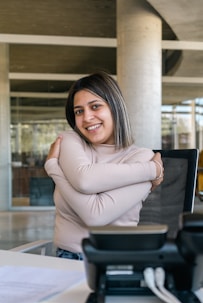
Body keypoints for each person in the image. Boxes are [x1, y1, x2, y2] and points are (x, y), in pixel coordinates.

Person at [44, 71, 164, 260]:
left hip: (117, 262)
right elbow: (85, 179)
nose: (87, 117)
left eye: (95, 106)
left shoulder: (142, 157)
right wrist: (153, 171)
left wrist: (53, 168)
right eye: (79, 111)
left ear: (115, 108)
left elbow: (95, 215)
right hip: (66, 258)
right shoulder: (70, 141)